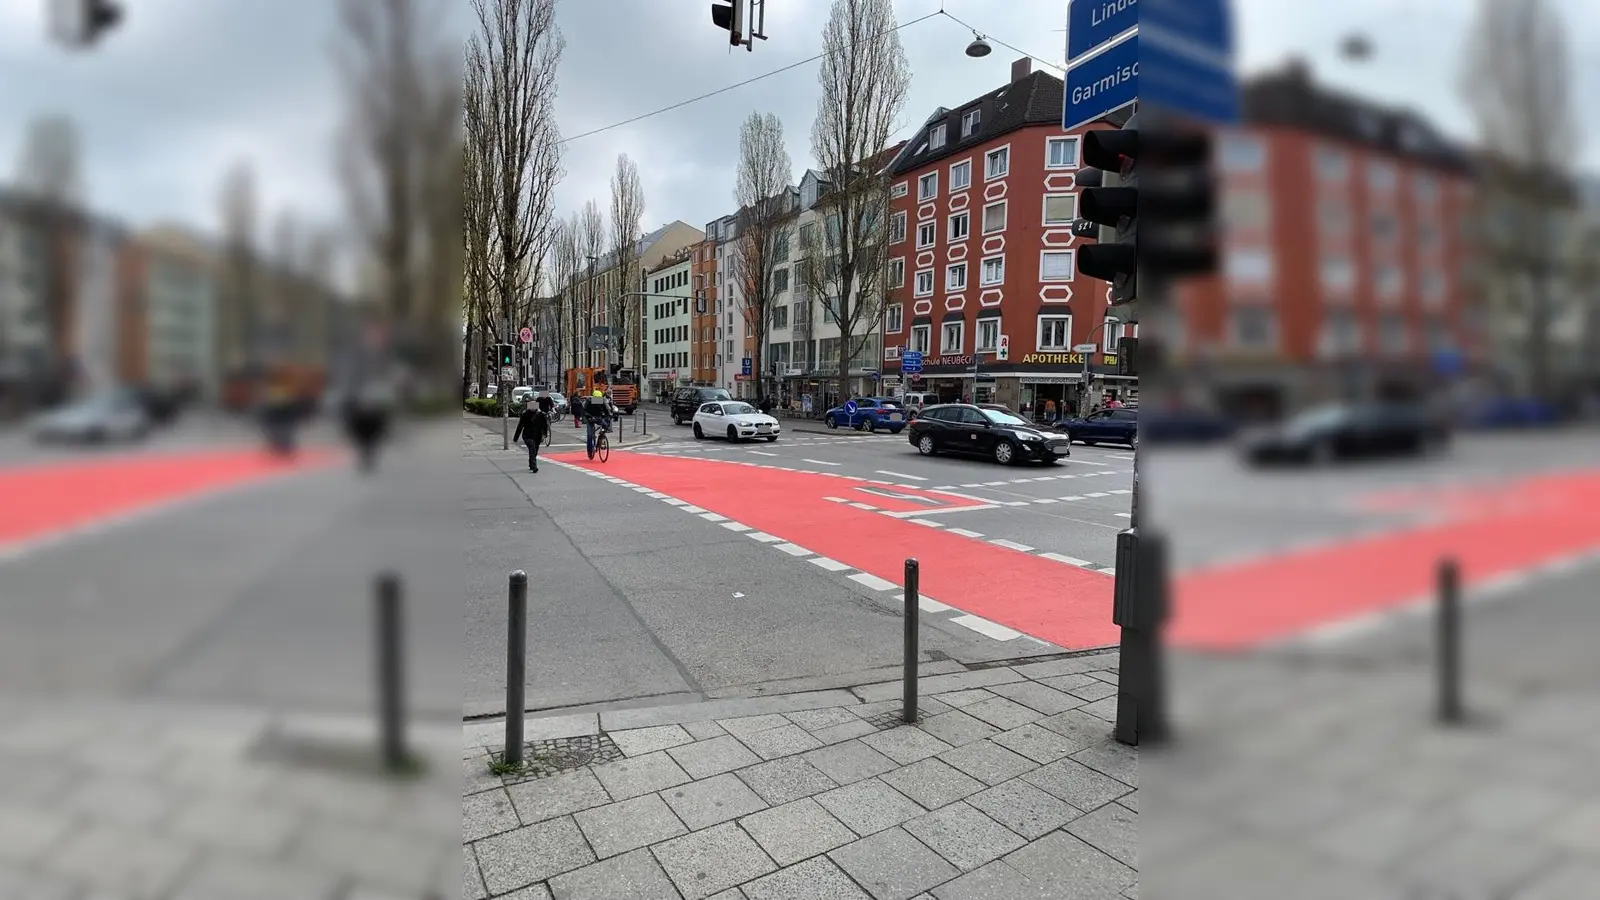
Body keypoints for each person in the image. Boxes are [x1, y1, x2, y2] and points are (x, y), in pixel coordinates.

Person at [513, 396, 550, 472]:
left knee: (535, 450)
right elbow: (520, 426)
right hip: (527, 435)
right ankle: (534, 466)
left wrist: (544, 434)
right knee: (532, 448)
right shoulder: (525, 414)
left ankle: (531, 463)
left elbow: (544, 425)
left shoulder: (541, 414)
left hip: (537, 436)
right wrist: (516, 438)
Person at [581, 389, 611, 457]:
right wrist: (588, 417)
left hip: (598, 417)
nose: (597, 400)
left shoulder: (601, 401)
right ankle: (589, 451)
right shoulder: (589, 401)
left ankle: (602, 438)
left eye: (599, 399)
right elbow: (584, 411)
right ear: (593, 397)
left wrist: (610, 415)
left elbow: (607, 409)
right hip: (590, 419)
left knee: (605, 425)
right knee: (589, 435)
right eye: (596, 399)